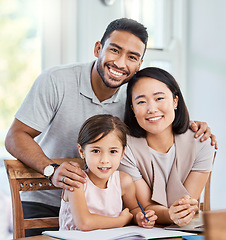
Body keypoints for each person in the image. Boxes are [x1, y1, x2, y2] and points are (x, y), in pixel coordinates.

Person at [5, 18, 216, 236]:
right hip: (46, 200)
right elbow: (15, 137)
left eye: (132, 57)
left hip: (107, 209)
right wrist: (51, 170)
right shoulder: (56, 80)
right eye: (115, 50)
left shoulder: (134, 97)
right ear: (98, 48)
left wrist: (190, 125)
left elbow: (157, 119)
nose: (121, 63)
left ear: (139, 64)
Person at [118, 67, 215, 227]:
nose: (152, 109)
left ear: (175, 101)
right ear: (133, 109)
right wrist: (170, 215)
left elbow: (186, 203)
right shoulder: (124, 148)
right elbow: (146, 207)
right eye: (141, 102)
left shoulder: (202, 142)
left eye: (159, 98)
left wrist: (179, 212)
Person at [59, 114, 157, 231]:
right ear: (82, 151)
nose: (104, 160)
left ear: (122, 152)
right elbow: (84, 223)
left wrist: (140, 217)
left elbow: (132, 210)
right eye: (96, 151)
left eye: (113, 151)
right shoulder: (76, 181)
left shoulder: (124, 181)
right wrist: (120, 221)